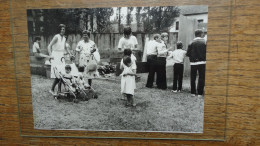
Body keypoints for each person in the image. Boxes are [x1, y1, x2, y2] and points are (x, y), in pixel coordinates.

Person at [48, 24, 71, 95]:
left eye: (63, 29)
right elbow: (49, 46)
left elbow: (65, 49)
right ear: (59, 30)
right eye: (61, 29)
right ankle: (52, 89)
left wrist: (70, 54)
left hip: (61, 56)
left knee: (62, 73)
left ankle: (59, 90)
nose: (62, 30)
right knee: (58, 74)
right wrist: (50, 55)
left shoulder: (64, 38)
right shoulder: (56, 37)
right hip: (55, 56)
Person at [186, 29, 207, 97]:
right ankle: (200, 93)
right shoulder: (204, 42)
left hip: (193, 63)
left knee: (193, 77)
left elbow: (188, 54)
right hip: (202, 62)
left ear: (195, 34)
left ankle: (193, 92)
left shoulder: (191, 42)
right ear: (201, 34)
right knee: (201, 77)